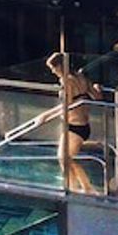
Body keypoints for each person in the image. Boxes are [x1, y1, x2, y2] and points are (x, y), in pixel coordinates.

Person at [46, 51, 97, 194]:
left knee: (64, 158)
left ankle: (81, 188)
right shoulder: (81, 76)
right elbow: (96, 96)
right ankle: (78, 187)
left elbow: (66, 105)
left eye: (54, 68)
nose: (53, 71)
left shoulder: (66, 81)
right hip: (82, 125)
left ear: (61, 66)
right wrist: (98, 88)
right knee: (66, 159)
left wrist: (45, 116)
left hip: (75, 127)